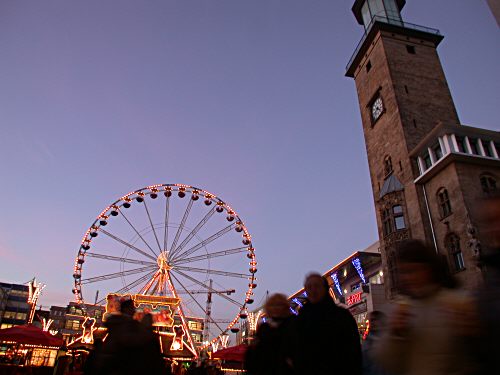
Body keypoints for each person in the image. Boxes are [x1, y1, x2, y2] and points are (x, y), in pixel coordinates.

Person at [373, 239, 479, 375]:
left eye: (412, 271)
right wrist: (395, 334)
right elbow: (385, 361)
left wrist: (469, 336)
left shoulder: (457, 302)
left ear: (428, 269)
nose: (407, 278)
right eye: (403, 272)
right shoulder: (397, 309)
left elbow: (474, 357)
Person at [295, 273, 362, 375]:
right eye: (309, 287)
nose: (313, 290)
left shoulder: (342, 316)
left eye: (316, 286)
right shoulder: (301, 318)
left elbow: (354, 352)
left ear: (325, 288)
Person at [94, 298, 164, 374]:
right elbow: (129, 342)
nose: (134, 310)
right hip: (120, 364)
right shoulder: (126, 325)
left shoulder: (119, 323)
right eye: (132, 308)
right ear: (126, 309)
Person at [245, 293, 297, 375]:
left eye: (279, 305)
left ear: (285, 307)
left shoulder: (293, 324)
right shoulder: (264, 328)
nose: (275, 308)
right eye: (272, 305)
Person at [362, 311, 391, 375]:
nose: (373, 322)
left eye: (375, 319)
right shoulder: (367, 342)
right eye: (371, 320)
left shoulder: (390, 340)